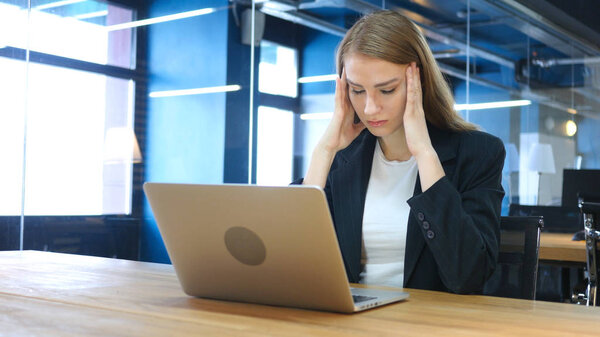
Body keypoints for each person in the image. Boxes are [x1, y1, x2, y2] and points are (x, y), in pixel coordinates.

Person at [299, 10, 505, 294]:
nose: (370, 108)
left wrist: (424, 153)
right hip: (349, 323)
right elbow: (292, 262)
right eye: (357, 91)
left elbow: (469, 274)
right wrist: (324, 151)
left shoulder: (479, 152)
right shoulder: (343, 157)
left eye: (386, 90)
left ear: (417, 82)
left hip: (430, 324)